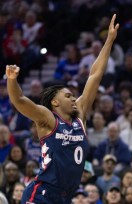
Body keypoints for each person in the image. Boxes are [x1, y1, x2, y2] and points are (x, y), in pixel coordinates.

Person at [5, 14, 119, 204]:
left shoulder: (80, 115)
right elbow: (19, 100)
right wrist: (11, 79)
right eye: (68, 96)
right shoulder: (48, 118)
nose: (74, 98)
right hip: (42, 193)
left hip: (65, 197)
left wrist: (109, 40)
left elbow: (95, 75)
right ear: (55, 103)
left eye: (73, 95)